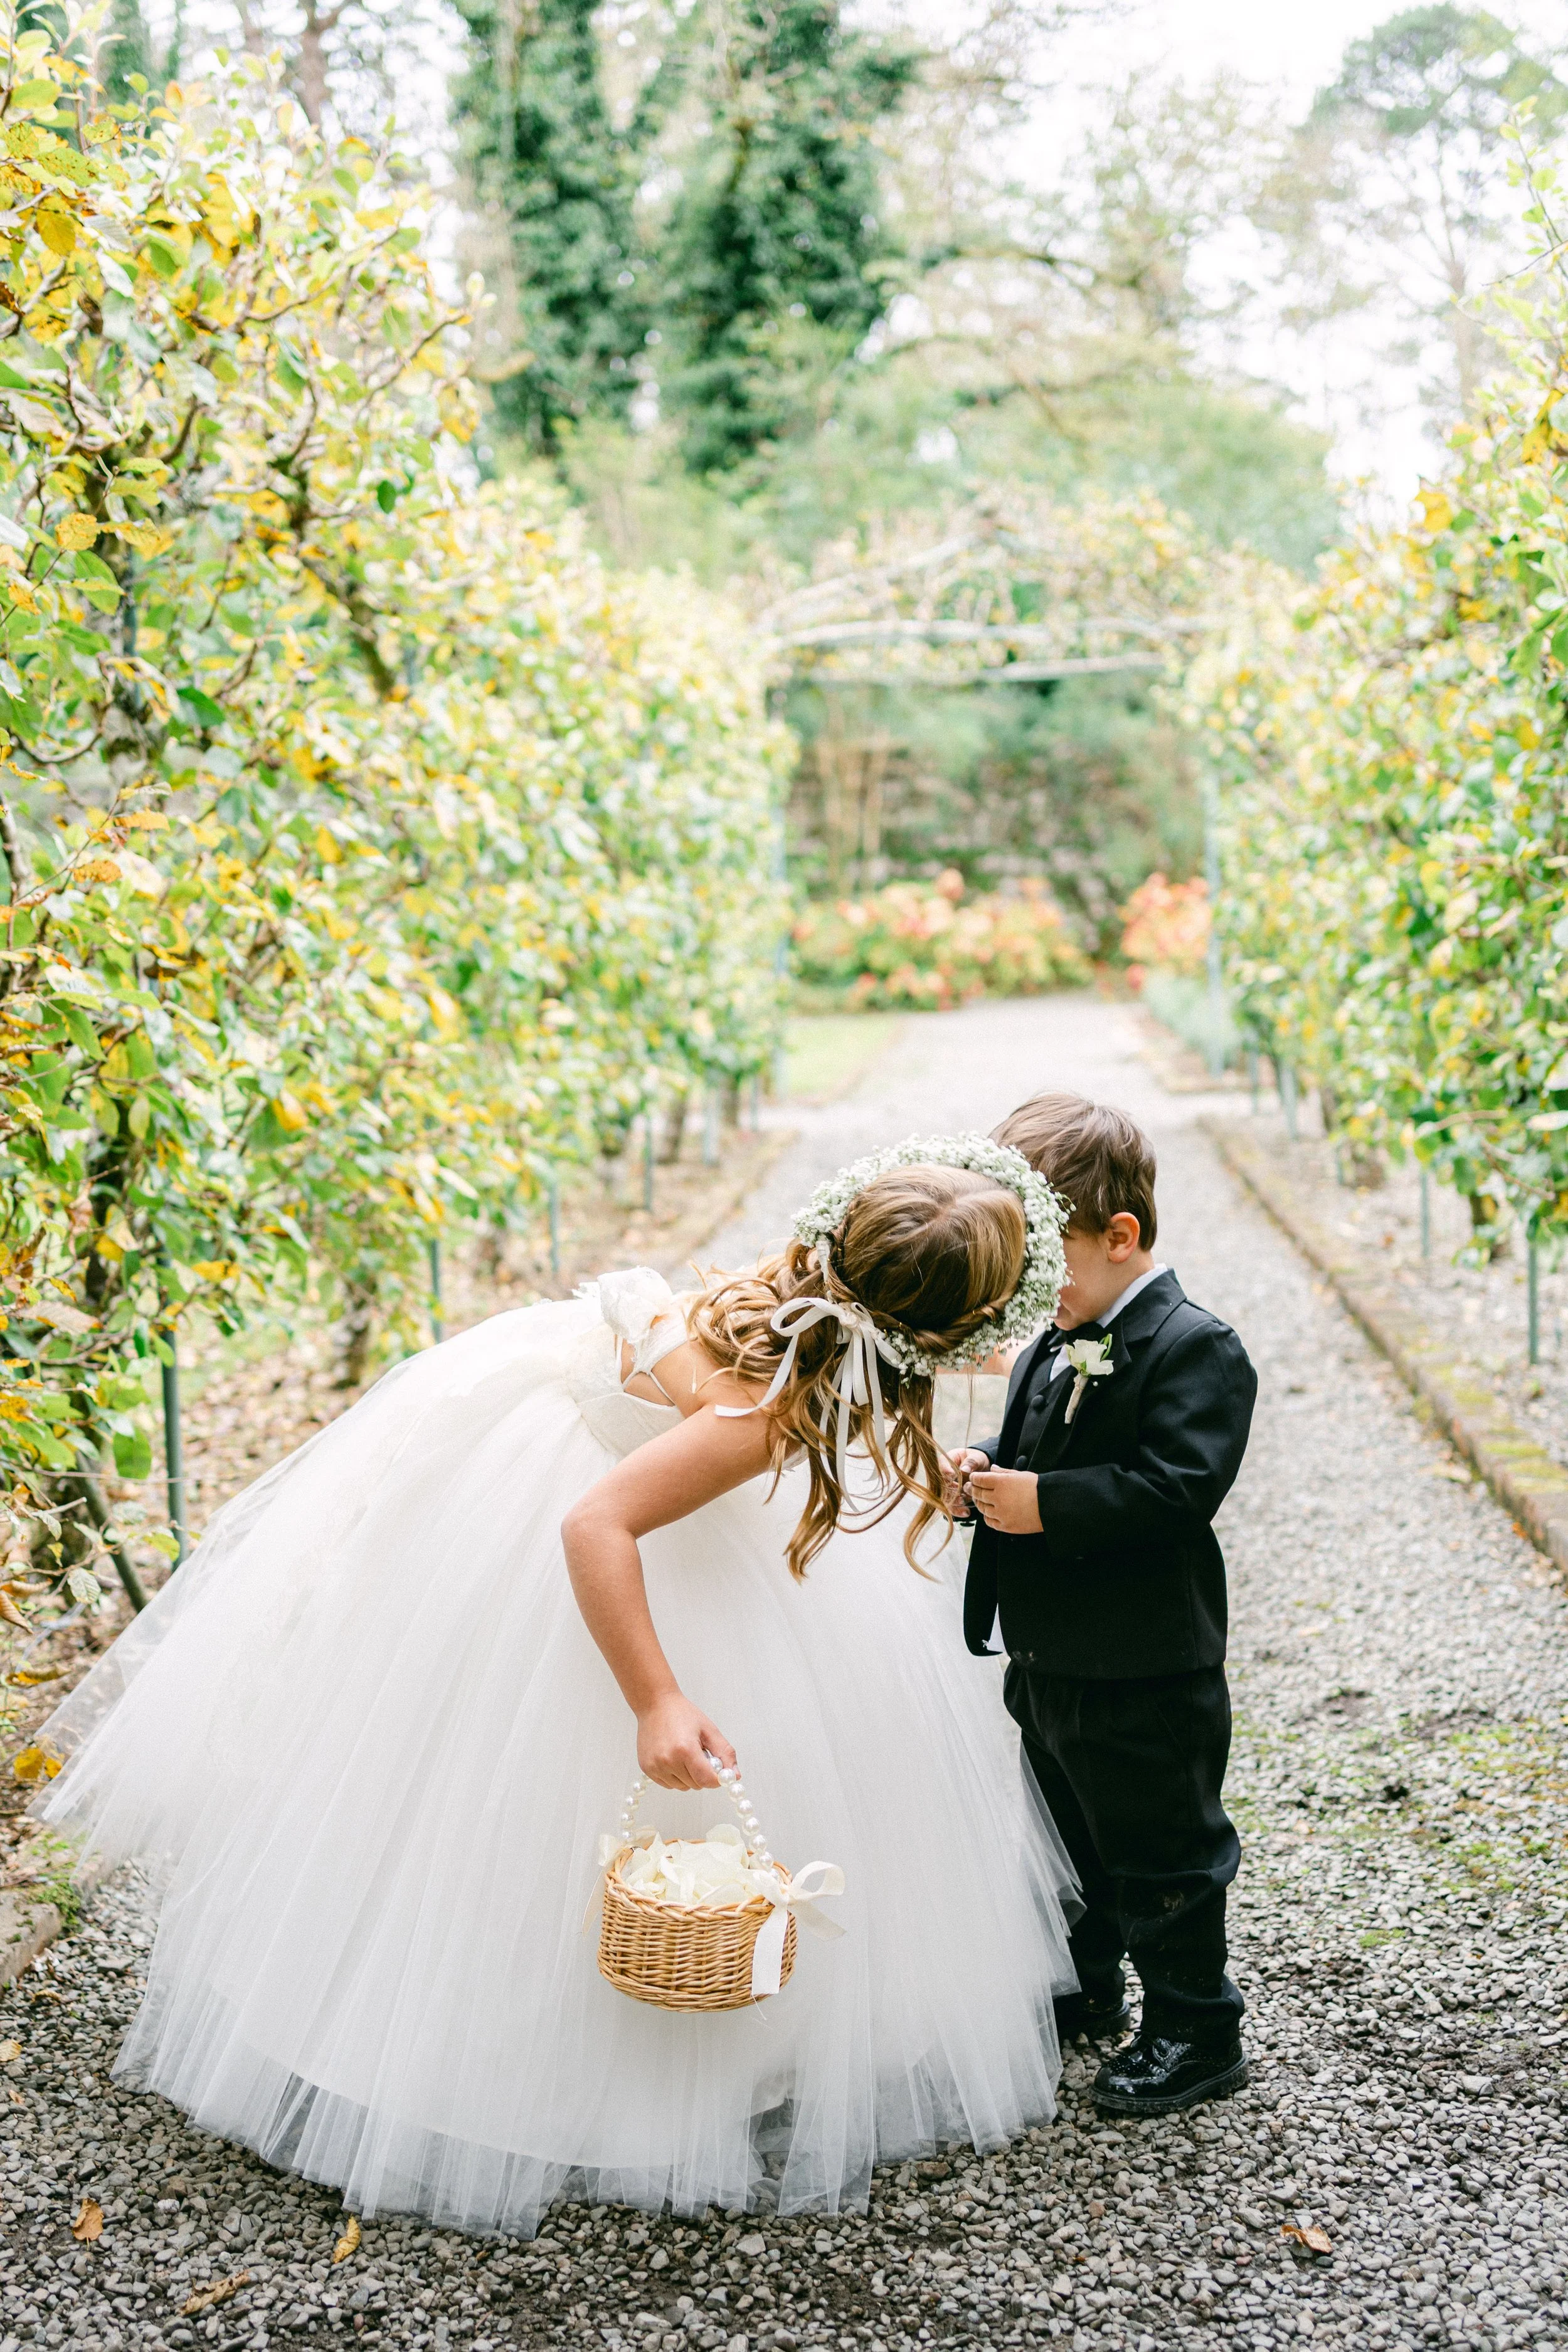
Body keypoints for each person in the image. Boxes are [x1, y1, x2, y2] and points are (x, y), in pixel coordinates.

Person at [35, 1136, 1079, 2235]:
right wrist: (656, 1697)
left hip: (552, 1444)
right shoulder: (766, 1415)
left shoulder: (784, 1301)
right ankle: (542, 2049)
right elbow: (596, 1523)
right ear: (925, 1339)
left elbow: (718, 1378)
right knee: (522, 1785)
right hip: (584, 1524)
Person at [952, 1094, 1258, 2118]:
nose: (1028, 1289)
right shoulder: (1057, 1336)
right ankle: (1083, 1984)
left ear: (1120, 1236)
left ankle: (1195, 2025)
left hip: (1144, 1666)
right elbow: (1033, 1445)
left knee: (1161, 1847)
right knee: (1066, 1836)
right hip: (1049, 1657)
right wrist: (984, 1470)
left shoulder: (1195, 1346)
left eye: (1046, 1262)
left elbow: (1179, 1488)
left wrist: (1046, 1503)